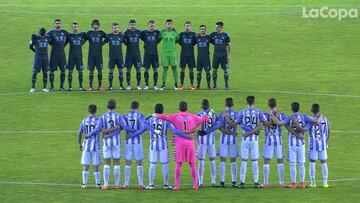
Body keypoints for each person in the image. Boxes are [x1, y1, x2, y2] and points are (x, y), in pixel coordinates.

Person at [130, 103, 188, 189]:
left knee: (152, 164)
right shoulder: (166, 120)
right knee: (164, 165)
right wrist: (186, 135)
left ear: (155, 110)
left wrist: (132, 135)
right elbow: (175, 130)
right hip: (163, 146)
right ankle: (166, 184)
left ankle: (151, 185)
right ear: (162, 110)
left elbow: (141, 130)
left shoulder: (150, 120)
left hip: (153, 146)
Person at [156, 101, 209, 190]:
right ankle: (195, 184)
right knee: (192, 164)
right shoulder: (192, 117)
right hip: (190, 142)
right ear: (187, 108)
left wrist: (155, 115)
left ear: (179, 108)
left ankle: (177, 185)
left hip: (179, 143)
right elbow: (203, 120)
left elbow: (163, 117)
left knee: (178, 164)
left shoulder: (175, 117)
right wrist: (209, 115)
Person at [87, 99, 136, 190]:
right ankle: (117, 185)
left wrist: (88, 135)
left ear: (107, 107)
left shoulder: (102, 117)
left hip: (106, 142)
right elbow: (124, 127)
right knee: (116, 163)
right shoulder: (119, 116)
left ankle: (106, 185)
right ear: (115, 107)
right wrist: (135, 130)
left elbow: (97, 129)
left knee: (107, 163)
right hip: (116, 143)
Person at [78, 104, 101, 189]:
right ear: (96, 110)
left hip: (86, 146)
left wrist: (79, 144)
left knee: (86, 165)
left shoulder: (84, 120)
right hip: (95, 146)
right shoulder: (98, 120)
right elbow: (100, 130)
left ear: (88, 111)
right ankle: (97, 184)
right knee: (96, 165)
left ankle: (84, 184)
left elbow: (79, 133)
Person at [307, 103, 330, 188]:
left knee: (312, 162)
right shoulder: (325, 119)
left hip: (313, 145)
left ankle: (313, 183)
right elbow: (329, 131)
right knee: (323, 162)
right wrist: (326, 142)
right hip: (323, 144)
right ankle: (325, 183)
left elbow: (305, 129)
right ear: (319, 110)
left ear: (311, 110)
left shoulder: (310, 119)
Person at [47, 19, 68, 91]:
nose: (58, 24)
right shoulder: (50, 32)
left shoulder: (64, 32)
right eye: (56, 23)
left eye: (59, 23)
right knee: (52, 71)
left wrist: (63, 45)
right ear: (54, 24)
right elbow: (47, 40)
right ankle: (52, 87)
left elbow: (69, 38)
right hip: (54, 55)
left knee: (63, 71)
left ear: (61, 24)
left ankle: (61, 87)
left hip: (62, 55)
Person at [85, 19, 106, 91]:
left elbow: (108, 38)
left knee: (100, 70)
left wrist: (102, 44)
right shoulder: (89, 33)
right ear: (92, 25)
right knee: (91, 70)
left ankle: (100, 86)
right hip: (91, 55)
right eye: (94, 25)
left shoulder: (101, 33)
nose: (95, 26)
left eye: (96, 25)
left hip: (99, 55)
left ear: (99, 25)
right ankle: (90, 86)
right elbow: (84, 40)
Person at [140, 20, 161, 90]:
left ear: (154, 25)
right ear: (148, 25)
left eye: (153, 25)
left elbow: (160, 38)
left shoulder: (157, 32)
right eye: (150, 25)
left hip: (155, 54)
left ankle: (155, 85)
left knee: (155, 69)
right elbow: (137, 33)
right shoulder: (144, 33)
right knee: (146, 69)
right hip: (147, 54)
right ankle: (146, 85)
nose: (152, 26)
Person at [159, 19, 179, 91]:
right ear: (166, 25)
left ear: (172, 25)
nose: (169, 25)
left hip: (172, 54)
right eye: (168, 24)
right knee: (165, 69)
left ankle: (176, 84)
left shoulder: (176, 33)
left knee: (174, 68)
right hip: (165, 54)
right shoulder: (162, 33)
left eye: (170, 24)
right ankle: (163, 84)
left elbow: (177, 41)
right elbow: (158, 40)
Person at [210, 22, 231, 90]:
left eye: (217, 27)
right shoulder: (213, 34)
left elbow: (229, 45)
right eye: (216, 27)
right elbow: (207, 38)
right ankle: (215, 85)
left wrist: (229, 55)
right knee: (214, 70)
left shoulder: (226, 35)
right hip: (216, 55)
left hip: (224, 55)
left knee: (225, 70)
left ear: (221, 27)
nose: (216, 28)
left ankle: (226, 85)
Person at [103, 22, 125, 90]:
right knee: (111, 71)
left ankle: (121, 86)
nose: (116, 29)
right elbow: (103, 42)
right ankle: (110, 86)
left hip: (119, 56)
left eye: (117, 27)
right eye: (114, 27)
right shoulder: (109, 36)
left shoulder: (121, 36)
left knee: (120, 70)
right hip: (112, 57)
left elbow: (126, 42)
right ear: (112, 28)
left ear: (119, 28)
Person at [65, 22, 86, 91]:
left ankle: (81, 86)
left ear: (78, 27)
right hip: (71, 57)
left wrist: (81, 44)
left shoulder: (81, 35)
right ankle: (70, 87)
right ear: (72, 28)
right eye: (74, 27)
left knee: (80, 72)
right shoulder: (69, 35)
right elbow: (64, 44)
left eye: (76, 27)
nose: (75, 28)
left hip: (79, 57)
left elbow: (86, 39)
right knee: (70, 72)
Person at [29, 27, 50, 93]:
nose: (42, 35)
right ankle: (33, 87)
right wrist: (36, 52)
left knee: (45, 72)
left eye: (43, 34)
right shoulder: (35, 37)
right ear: (39, 33)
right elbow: (30, 46)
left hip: (45, 58)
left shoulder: (47, 37)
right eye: (41, 34)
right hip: (38, 58)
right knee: (35, 72)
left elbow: (51, 42)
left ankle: (44, 87)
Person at [124, 20, 142, 90]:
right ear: (129, 25)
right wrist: (124, 31)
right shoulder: (126, 32)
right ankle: (128, 85)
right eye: (131, 24)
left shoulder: (139, 32)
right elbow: (121, 39)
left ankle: (138, 85)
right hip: (129, 54)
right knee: (128, 70)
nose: (132, 26)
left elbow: (144, 38)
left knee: (138, 69)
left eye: (133, 24)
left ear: (135, 25)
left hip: (137, 54)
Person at [179, 21, 197, 90]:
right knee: (182, 70)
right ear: (184, 26)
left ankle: (192, 85)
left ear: (190, 26)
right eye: (186, 25)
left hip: (191, 55)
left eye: (189, 25)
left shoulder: (193, 34)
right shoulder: (181, 34)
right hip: (183, 54)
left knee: (191, 70)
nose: (187, 27)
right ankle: (181, 84)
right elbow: (180, 42)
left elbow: (194, 42)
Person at [195, 25, 212, 90]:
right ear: (199, 30)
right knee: (199, 72)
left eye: (204, 29)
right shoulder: (197, 38)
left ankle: (208, 85)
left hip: (206, 58)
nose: (202, 30)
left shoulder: (209, 37)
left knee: (208, 72)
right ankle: (198, 85)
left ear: (205, 30)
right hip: (199, 58)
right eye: (201, 29)